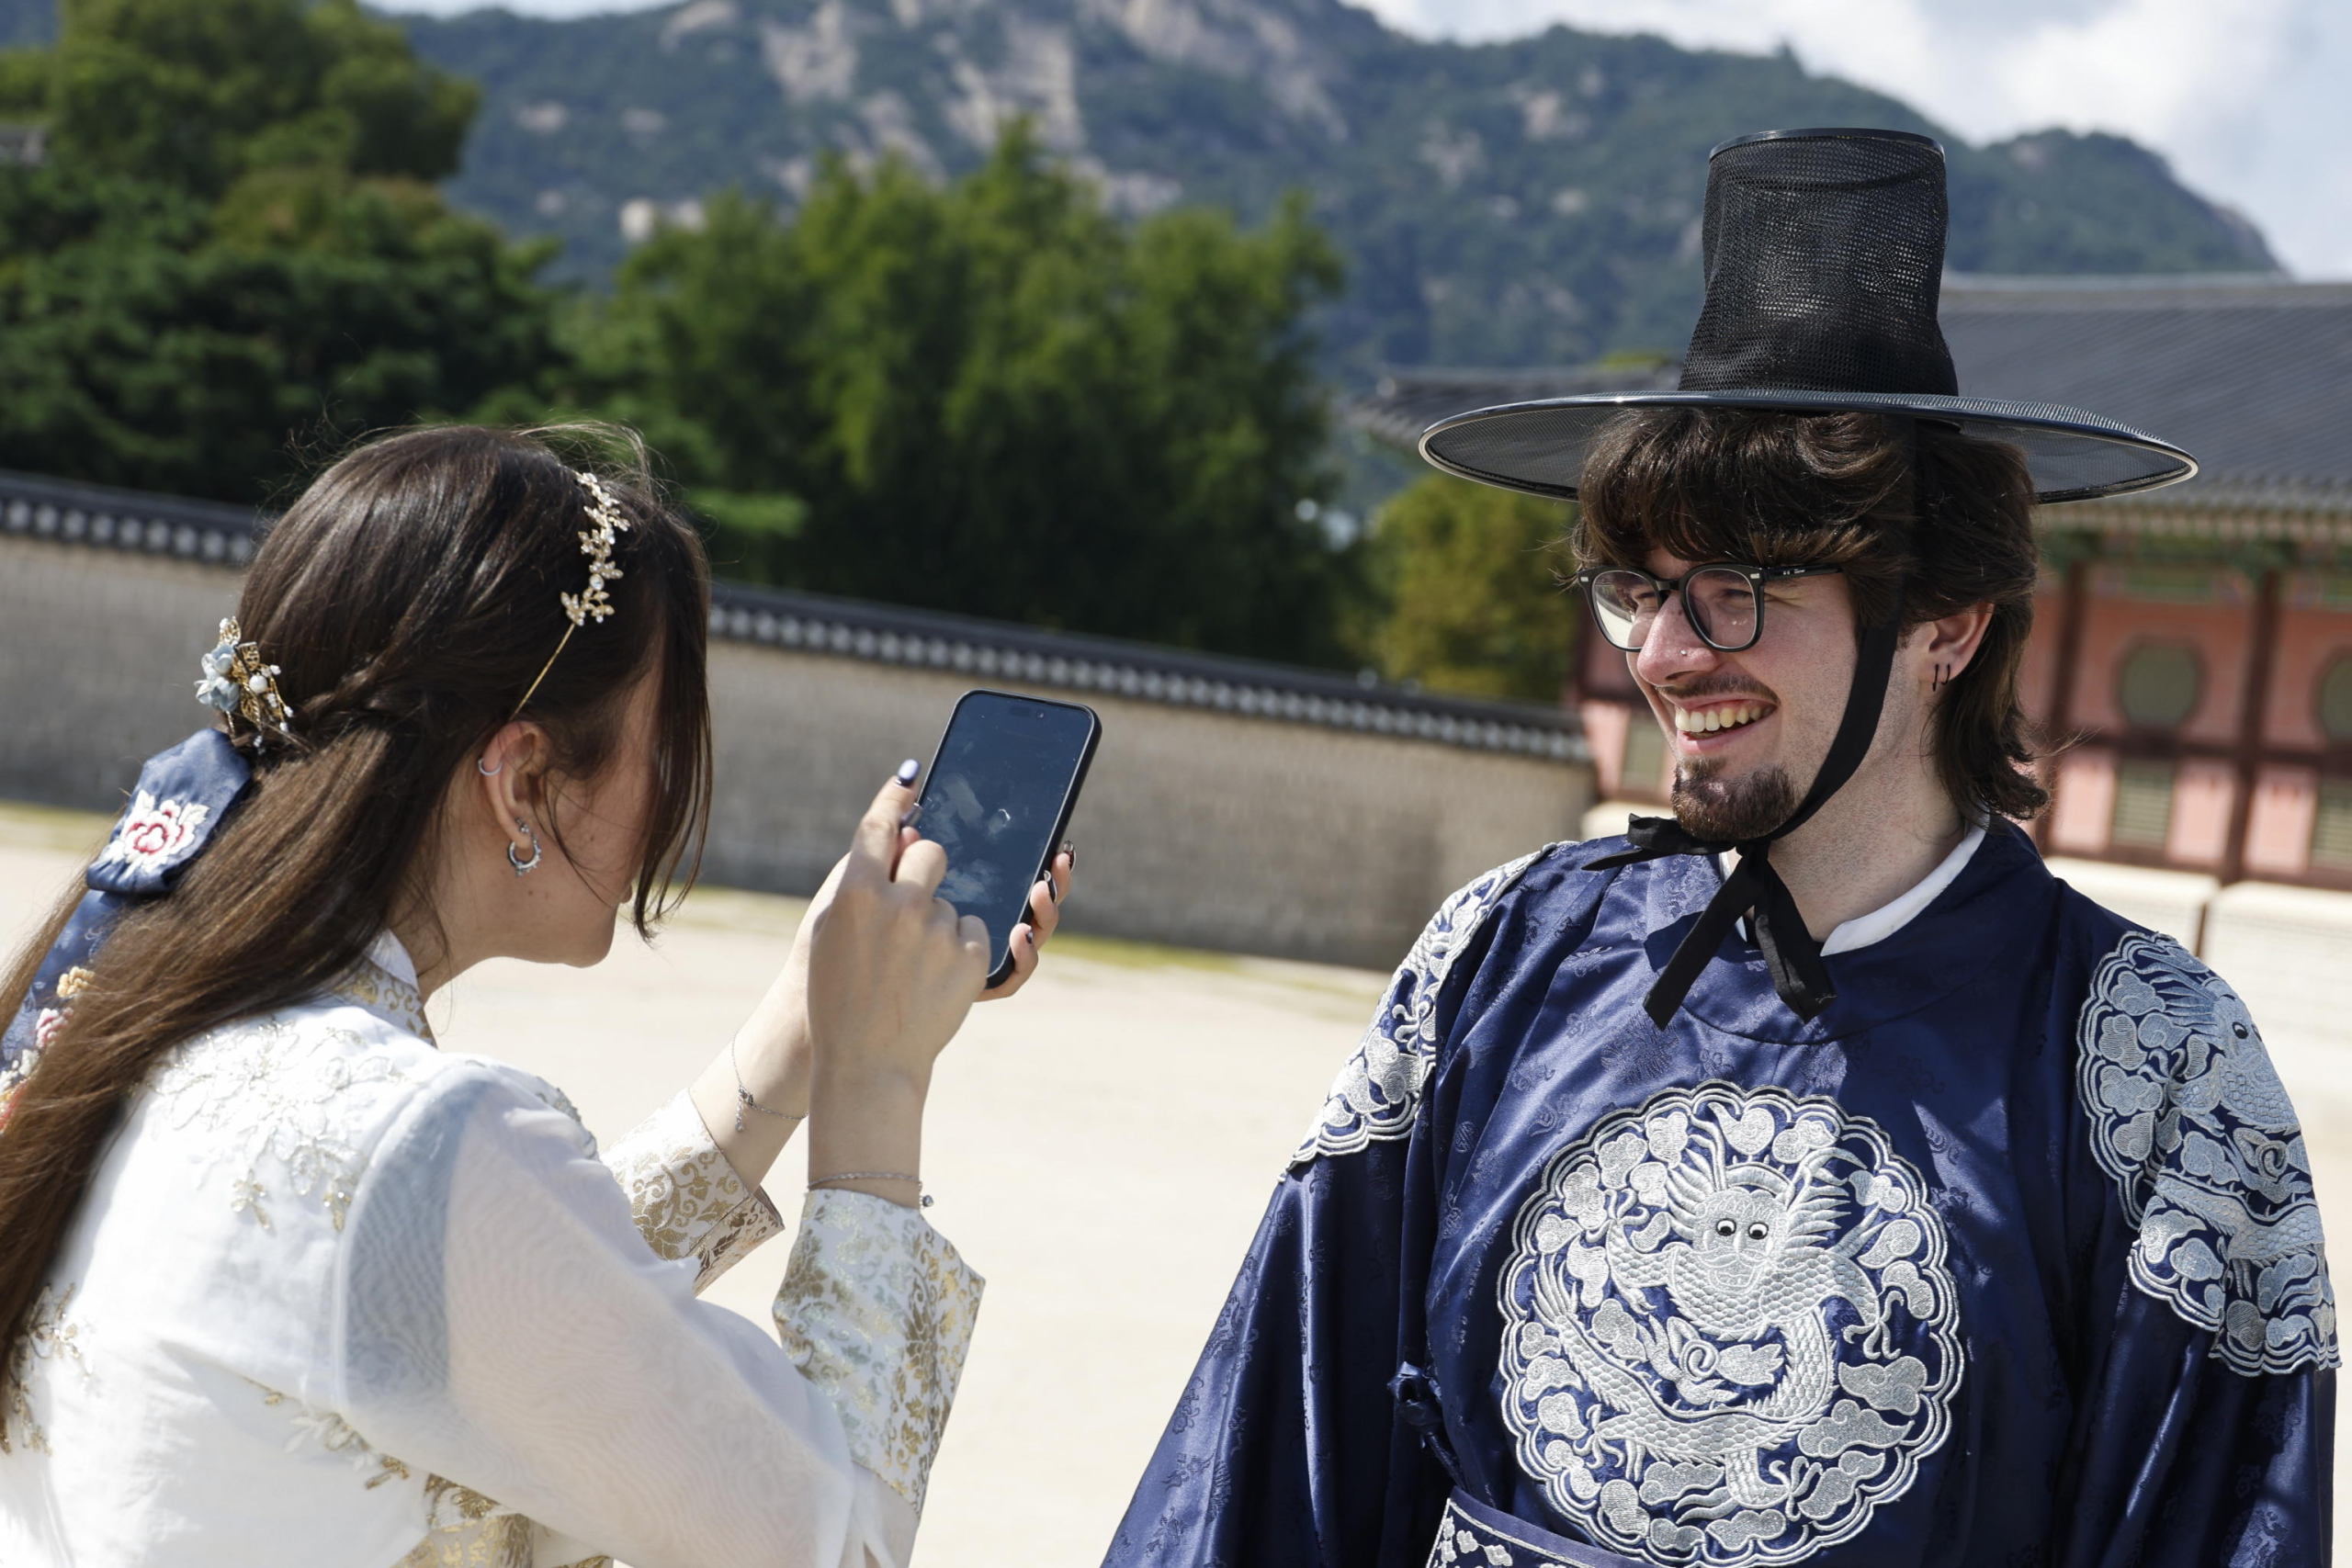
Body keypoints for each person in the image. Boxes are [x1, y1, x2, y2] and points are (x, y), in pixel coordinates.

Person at [1103, 129, 2332, 1567]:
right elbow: (1271, 1454)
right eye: (1637, 585)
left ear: (1944, 619)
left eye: (1740, 588)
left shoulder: (2151, 1059)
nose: (1668, 653)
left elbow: (2214, 1522)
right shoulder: (1502, 953)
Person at [0, 423, 1075, 1567]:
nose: (672, 791)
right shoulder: (416, 1136)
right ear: (521, 782)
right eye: (662, 742)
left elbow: (512, 1311)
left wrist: (811, 1021)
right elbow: (834, 1543)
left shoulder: (130, 1013)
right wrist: (878, 1083)